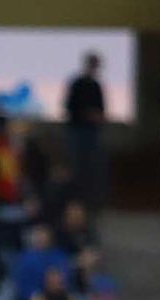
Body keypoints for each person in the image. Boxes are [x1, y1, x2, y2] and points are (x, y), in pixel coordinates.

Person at [63, 53, 107, 209]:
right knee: (76, 169)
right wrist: (87, 114)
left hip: (91, 133)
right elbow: (69, 107)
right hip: (77, 132)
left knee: (91, 170)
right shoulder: (77, 83)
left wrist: (98, 117)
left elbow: (102, 110)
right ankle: (75, 204)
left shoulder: (96, 85)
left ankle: (89, 205)